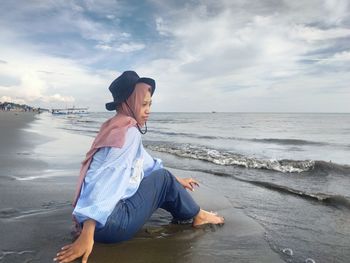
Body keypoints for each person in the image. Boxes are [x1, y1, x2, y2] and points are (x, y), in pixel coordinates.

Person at [54, 71, 224, 263]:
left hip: (98, 224)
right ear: (129, 103)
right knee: (163, 178)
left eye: (150, 104)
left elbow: (146, 163)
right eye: (143, 104)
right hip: (111, 226)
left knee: (163, 176)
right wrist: (88, 234)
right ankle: (198, 215)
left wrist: (178, 181)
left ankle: (189, 211)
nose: (148, 110)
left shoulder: (115, 127)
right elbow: (105, 179)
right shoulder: (128, 134)